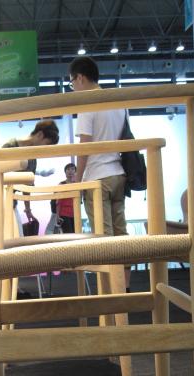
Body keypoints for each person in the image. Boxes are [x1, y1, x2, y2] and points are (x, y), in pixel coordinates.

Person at [68, 55, 130, 288]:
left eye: (72, 83)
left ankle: (110, 292)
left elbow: (84, 148)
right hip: (118, 173)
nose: (73, 88)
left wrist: (78, 182)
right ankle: (125, 287)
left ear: (80, 78)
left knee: (103, 238)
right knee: (121, 235)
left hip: (97, 178)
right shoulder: (118, 102)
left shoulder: (88, 104)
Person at [2, 119, 59, 226]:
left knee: (17, 234)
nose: (45, 149)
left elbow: (27, 186)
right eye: (46, 144)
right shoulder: (10, 146)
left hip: (11, 203)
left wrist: (28, 210)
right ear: (40, 134)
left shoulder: (32, 158)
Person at [56, 162, 77, 233]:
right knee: (69, 234)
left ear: (75, 172)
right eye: (68, 169)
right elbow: (58, 202)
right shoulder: (61, 184)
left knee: (76, 234)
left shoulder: (78, 184)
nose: (70, 171)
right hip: (64, 214)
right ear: (65, 172)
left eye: (72, 169)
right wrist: (57, 216)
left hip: (75, 213)